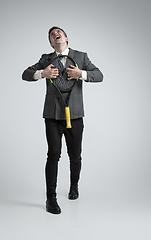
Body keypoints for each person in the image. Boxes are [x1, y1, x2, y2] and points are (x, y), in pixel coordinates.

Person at [22, 26, 103, 214]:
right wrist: (42, 73)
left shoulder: (81, 56)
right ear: (51, 43)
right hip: (52, 115)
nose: (55, 35)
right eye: (51, 35)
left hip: (75, 115)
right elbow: (25, 74)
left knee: (75, 156)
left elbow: (99, 75)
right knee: (53, 154)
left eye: (58, 33)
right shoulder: (46, 59)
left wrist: (80, 74)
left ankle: (74, 187)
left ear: (66, 38)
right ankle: (51, 199)